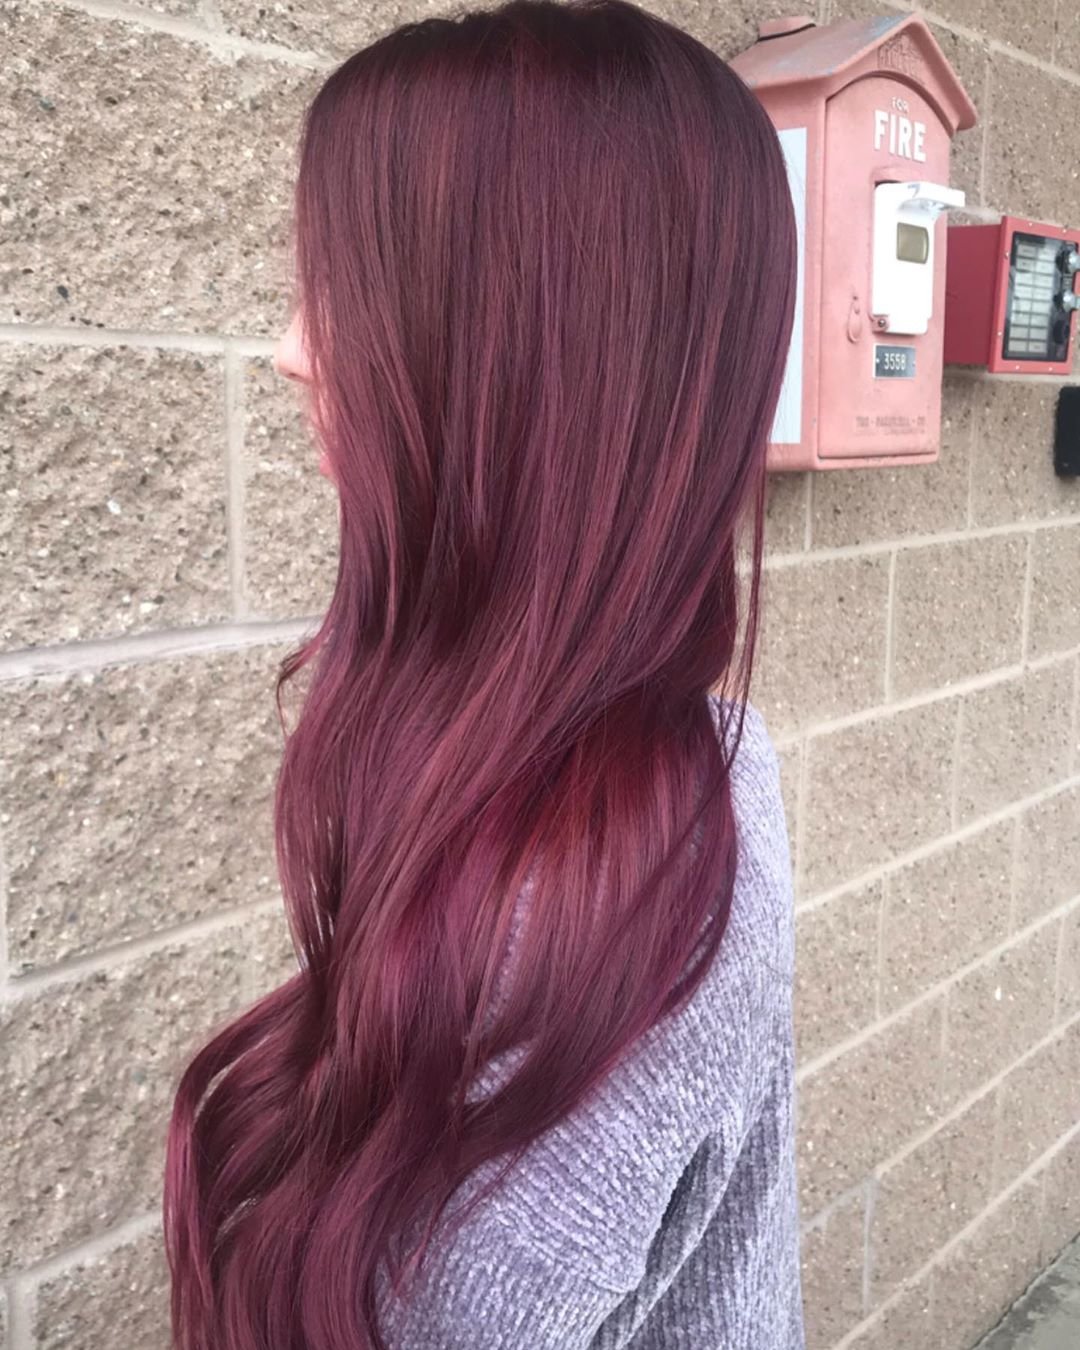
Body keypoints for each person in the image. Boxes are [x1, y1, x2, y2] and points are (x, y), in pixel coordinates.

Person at [163, 0, 802, 1346]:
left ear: (527, 356)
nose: (291, 349)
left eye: (346, 287)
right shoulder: (674, 764)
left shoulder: (607, 888)